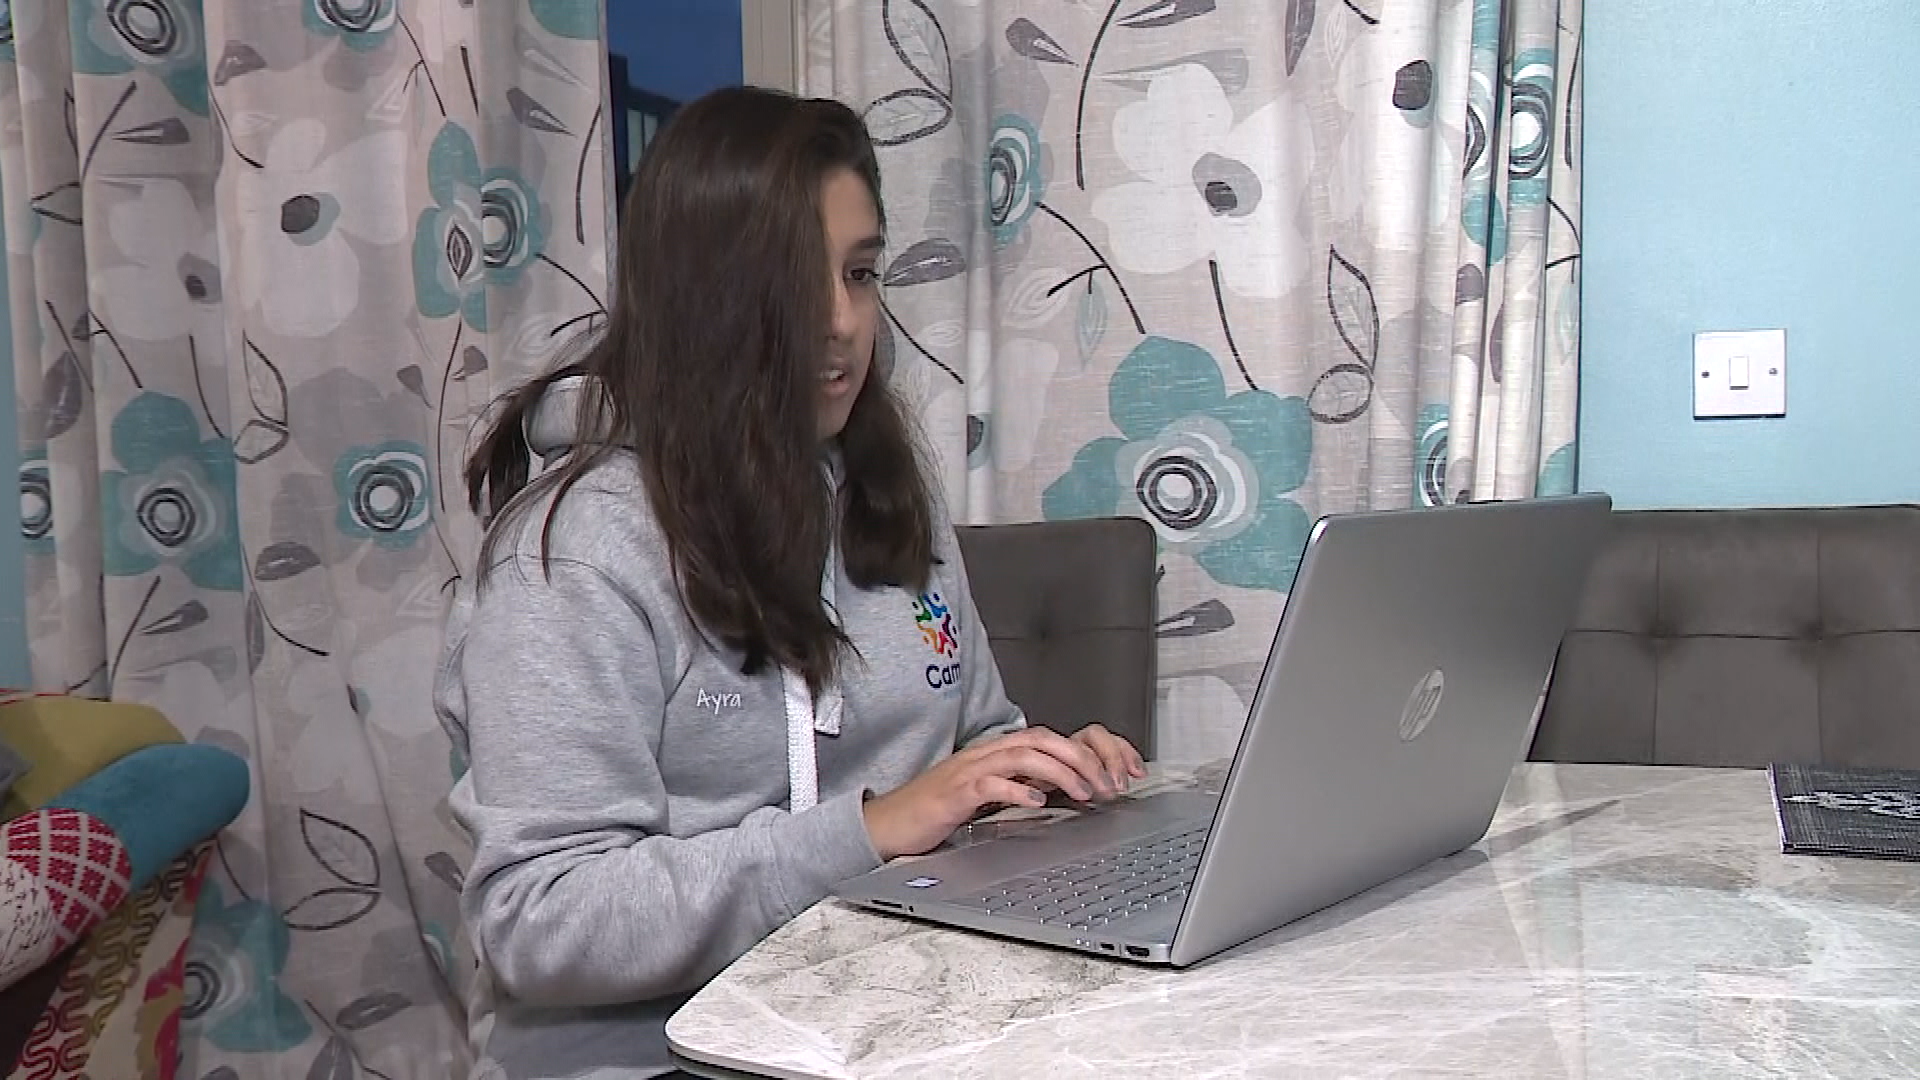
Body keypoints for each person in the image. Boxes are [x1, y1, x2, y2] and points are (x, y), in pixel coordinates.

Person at [434, 85, 1148, 1079]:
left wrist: (1033, 777)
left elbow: (970, 739)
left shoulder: (887, 488)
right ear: (701, 296)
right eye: (792, 283)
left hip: (884, 1019)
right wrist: (869, 831)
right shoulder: (573, 554)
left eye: (860, 273)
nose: (841, 322)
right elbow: (540, 919)